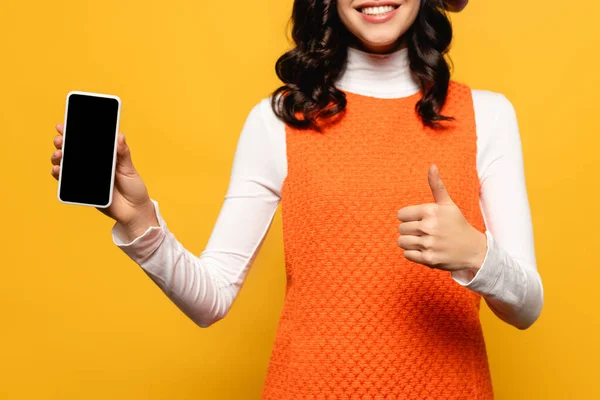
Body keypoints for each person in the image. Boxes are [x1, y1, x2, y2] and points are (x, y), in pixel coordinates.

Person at [50, 0, 544, 398]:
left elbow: (527, 307)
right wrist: (139, 223)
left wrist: (477, 256)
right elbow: (211, 298)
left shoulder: (488, 116)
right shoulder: (278, 119)